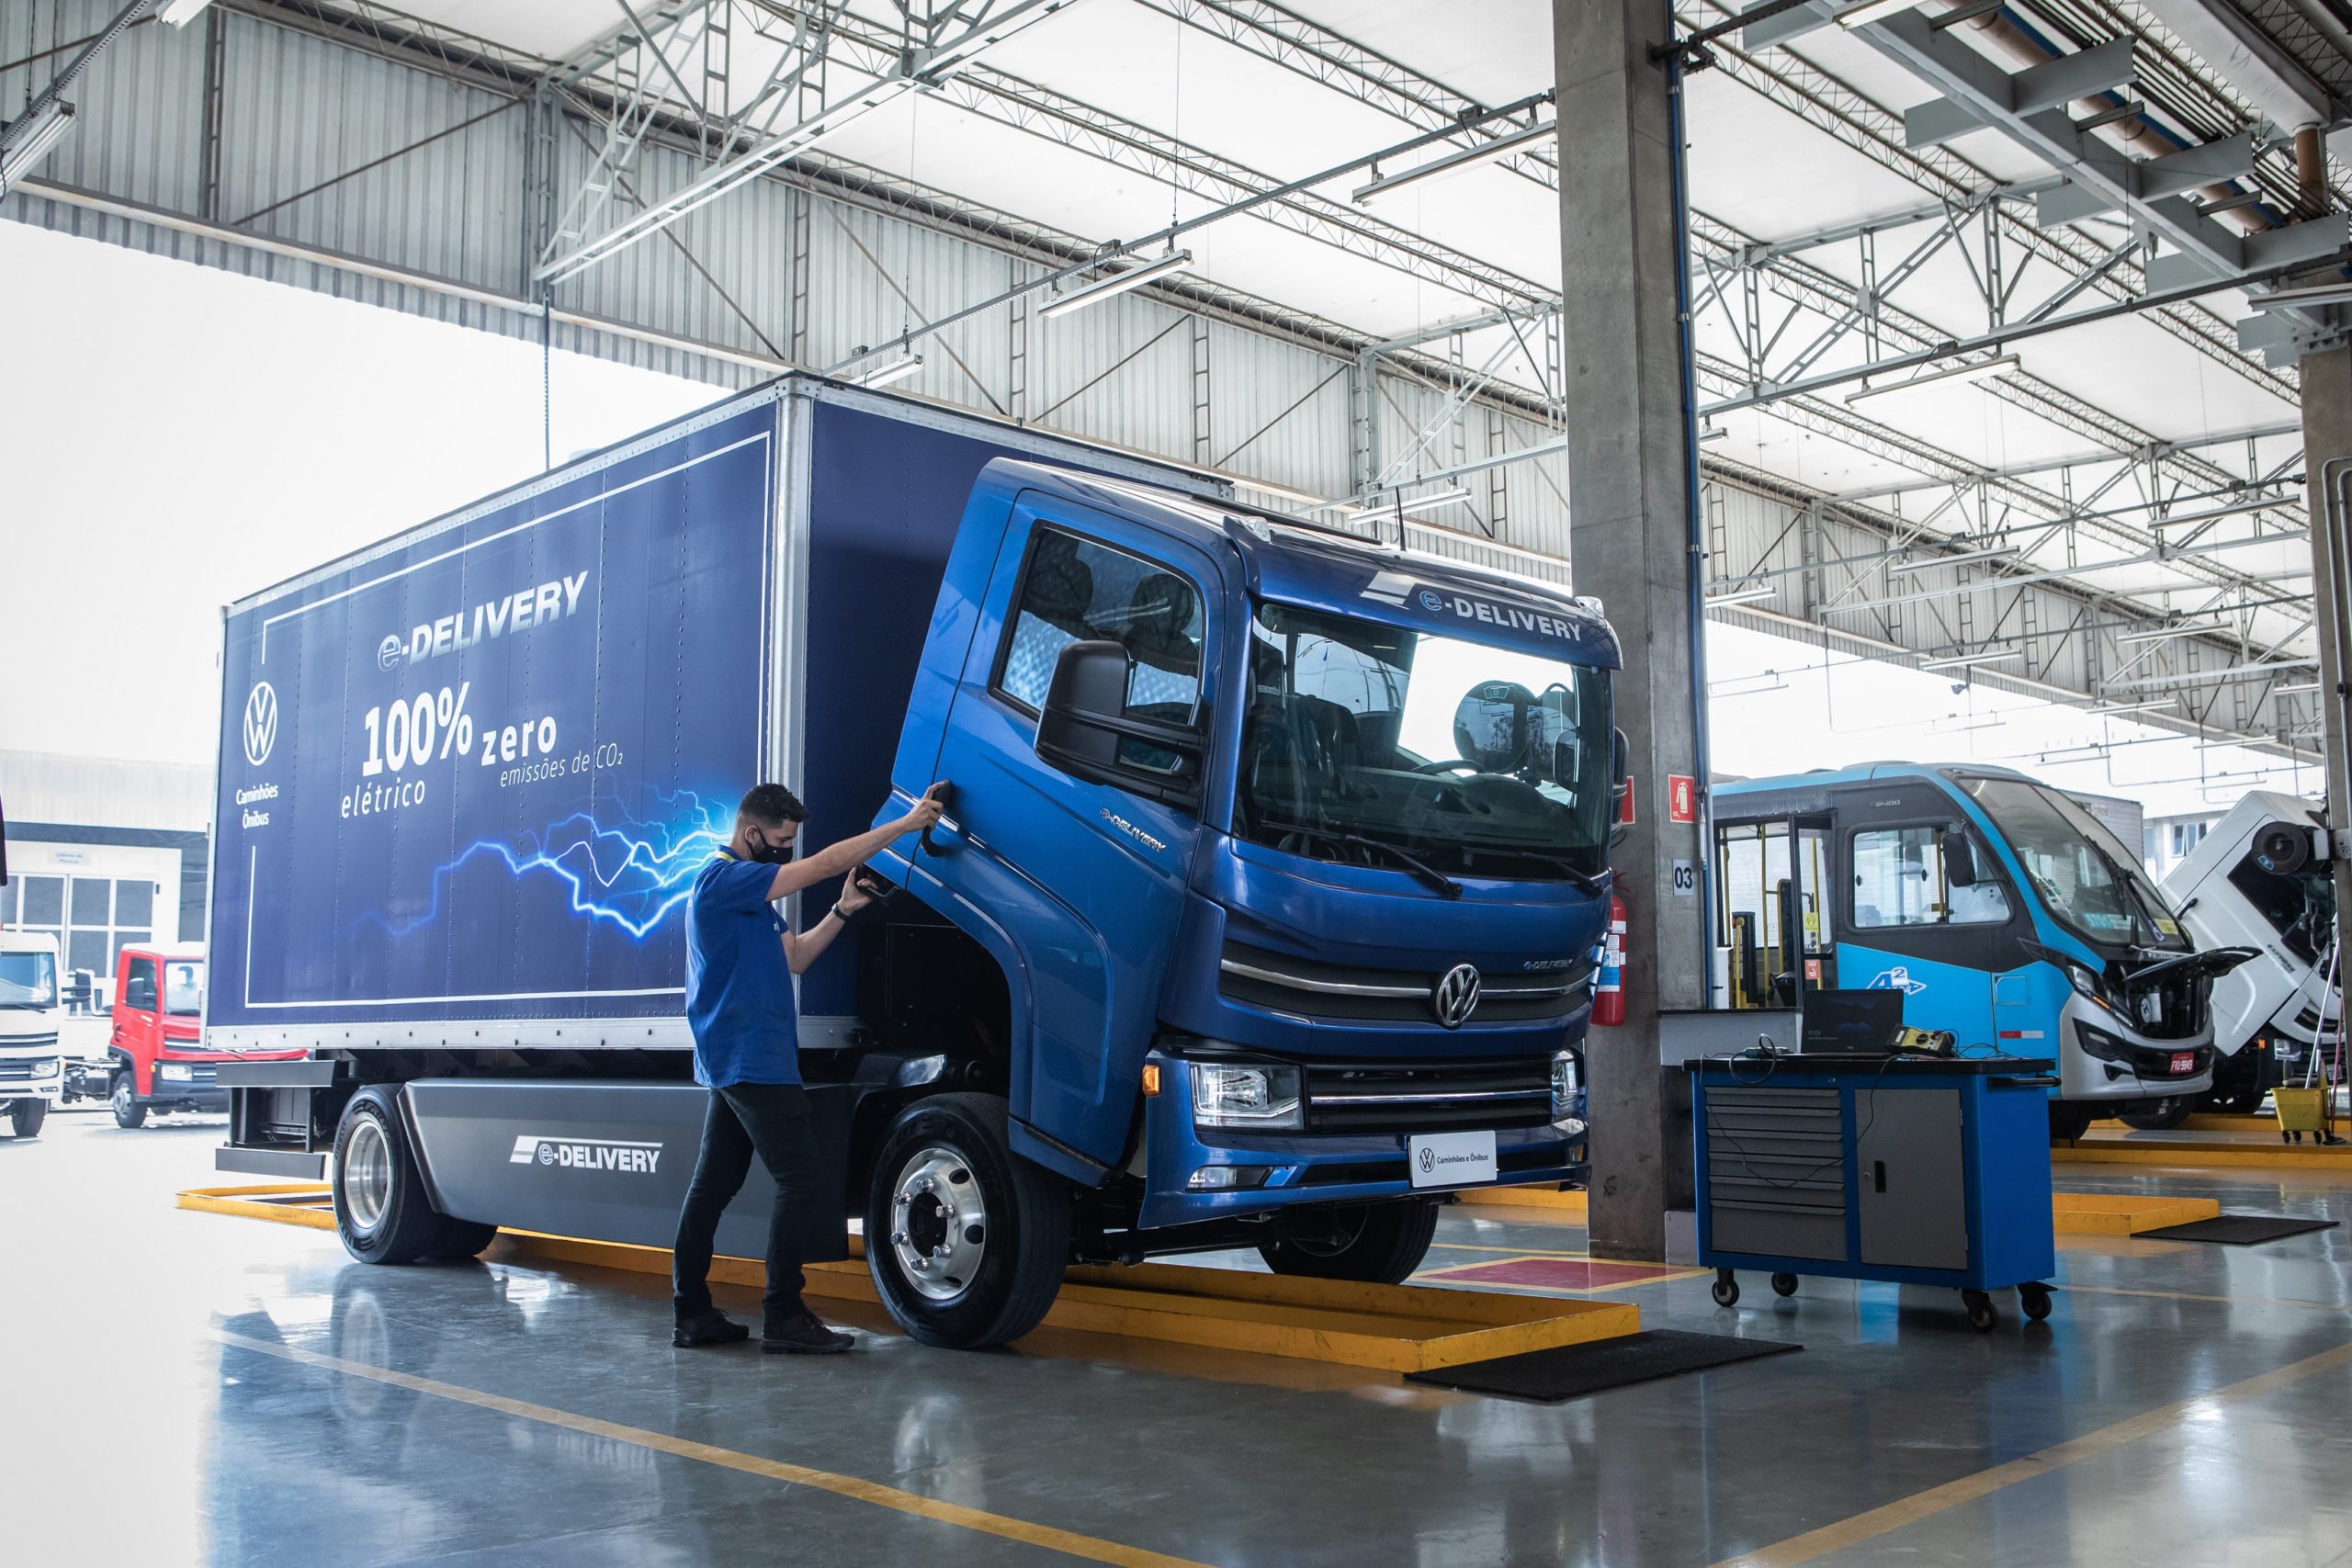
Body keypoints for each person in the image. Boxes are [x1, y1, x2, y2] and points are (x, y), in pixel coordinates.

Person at [670, 778, 948, 1354]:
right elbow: (822, 865)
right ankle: (784, 1314)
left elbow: (794, 957)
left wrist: (843, 910)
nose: (788, 850)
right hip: (749, 1059)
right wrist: (906, 823)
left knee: (713, 1186)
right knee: (801, 1180)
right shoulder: (723, 881)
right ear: (752, 834)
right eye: (781, 839)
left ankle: (693, 1314)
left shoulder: (750, 901)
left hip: (745, 1059)